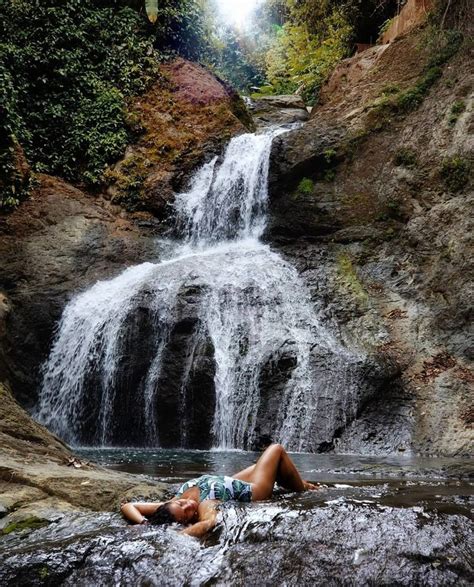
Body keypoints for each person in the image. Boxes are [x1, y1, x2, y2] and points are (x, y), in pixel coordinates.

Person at [121, 444, 319, 538]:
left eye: (181, 503)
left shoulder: (172, 503)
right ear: (187, 520)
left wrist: (144, 523)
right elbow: (210, 522)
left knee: (266, 465)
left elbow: (128, 506)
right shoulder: (205, 506)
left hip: (231, 481)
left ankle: (303, 484)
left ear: (171, 503)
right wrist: (178, 535)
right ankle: (303, 489)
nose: (189, 504)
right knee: (276, 450)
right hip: (254, 491)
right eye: (187, 512)